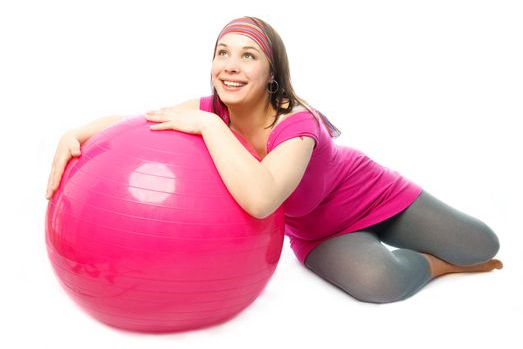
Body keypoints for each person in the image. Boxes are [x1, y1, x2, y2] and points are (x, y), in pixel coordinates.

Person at [46, 16, 502, 304]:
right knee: (382, 286)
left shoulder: (295, 124)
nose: (230, 65)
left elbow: (261, 198)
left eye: (248, 56)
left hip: (368, 192)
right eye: (222, 54)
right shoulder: (213, 112)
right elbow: (141, 120)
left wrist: (209, 127)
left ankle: (409, 235)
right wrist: (76, 132)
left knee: (482, 244)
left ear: (270, 74)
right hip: (316, 228)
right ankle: (439, 266)